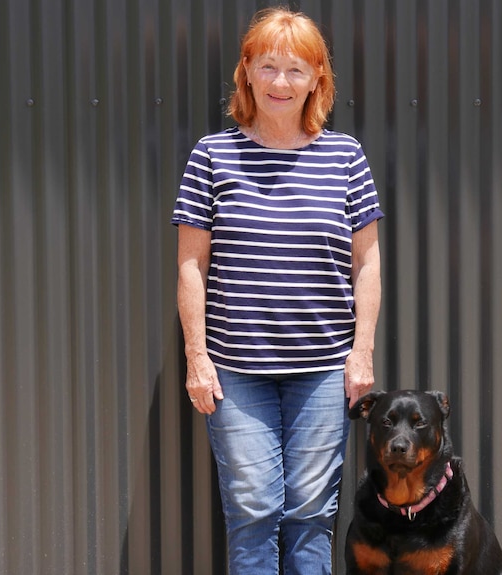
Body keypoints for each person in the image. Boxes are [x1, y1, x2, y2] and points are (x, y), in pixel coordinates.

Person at [171, 7, 383, 575]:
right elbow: (191, 266)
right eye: (268, 67)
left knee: (313, 510)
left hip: (322, 368)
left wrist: (361, 352)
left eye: (295, 70)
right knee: (253, 509)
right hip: (237, 369)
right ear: (246, 73)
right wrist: (197, 357)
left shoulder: (345, 158)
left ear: (317, 78)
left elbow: (368, 263)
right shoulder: (212, 156)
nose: (281, 83)